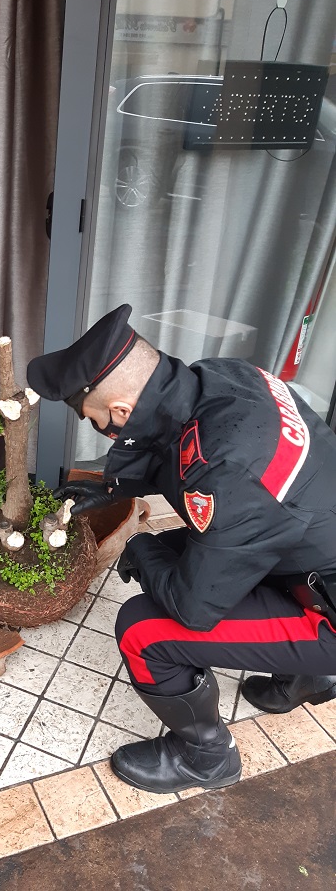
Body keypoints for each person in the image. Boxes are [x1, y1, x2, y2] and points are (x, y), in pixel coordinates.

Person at [27, 303, 336, 794]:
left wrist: (140, 549)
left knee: (144, 630)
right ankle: (308, 678)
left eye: (95, 421)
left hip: (327, 606)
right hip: (308, 549)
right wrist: (112, 489)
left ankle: (207, 758)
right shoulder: (222, 378)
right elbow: (175, 441)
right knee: (195, 551)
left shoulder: (233, 474)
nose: (99, 431)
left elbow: (195, 608)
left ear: (121, 411)